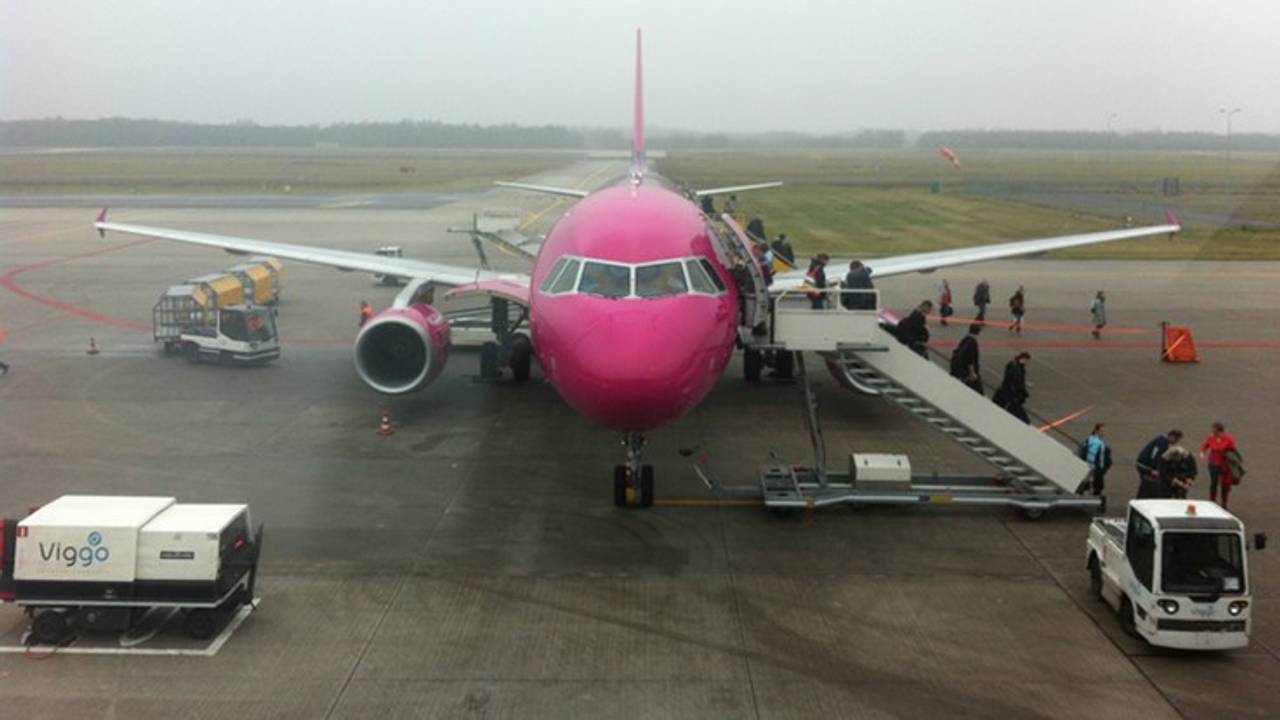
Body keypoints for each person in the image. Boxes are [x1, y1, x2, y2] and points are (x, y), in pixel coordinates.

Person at [1135, 429, 1182, 499]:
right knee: (1148, 483)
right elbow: (1154, 455)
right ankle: (1143, 498)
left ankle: (1144, 497)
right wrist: (1154, 469)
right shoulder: (1162, 442)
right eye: (1176, 439)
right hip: (1145, 466)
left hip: (1145, 465)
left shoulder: (1164, 441)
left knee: (1148, 483)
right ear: (1171, 436)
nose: (1176, 442)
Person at [1199, 422, 1238, 506]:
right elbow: (1205, 446)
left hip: (1224, 465)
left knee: (1224, 485)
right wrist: (1202, 452)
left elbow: (1233, 450)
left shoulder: (1228, 439)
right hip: (1213, 464)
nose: (1212, 432)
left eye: (1214, 430)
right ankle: (1212, 501)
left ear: (1219, 431)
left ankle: (1224, 503)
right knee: (1213, 483)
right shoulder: (1211, 438)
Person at [992, 352, 1031, 422]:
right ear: (1023, 359)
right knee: (1020, 416)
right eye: (1027, 360)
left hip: (1005, 394)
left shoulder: (1013, 366)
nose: (1027, 363)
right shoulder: (1017, 369)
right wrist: (1023, 393)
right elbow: (1017, 383)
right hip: (1010, 396)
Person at [1075, 423, 1111, 496]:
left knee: (1088, 486)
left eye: (1103, 431)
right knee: (1095, 488)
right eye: (1101, 431)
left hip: (1095, 468)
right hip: (1095, 469)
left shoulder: (1091, 440)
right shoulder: (1095, 442)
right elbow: (1091, 456)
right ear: (1096, 431)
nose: (1103, 433)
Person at [949, 323, 984, 394]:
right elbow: (970, 359)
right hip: (967, 372)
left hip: (960, 369)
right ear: (978, 332)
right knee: (977, 390)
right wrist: (972, 373)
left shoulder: (965, 339)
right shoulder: (972, 342)